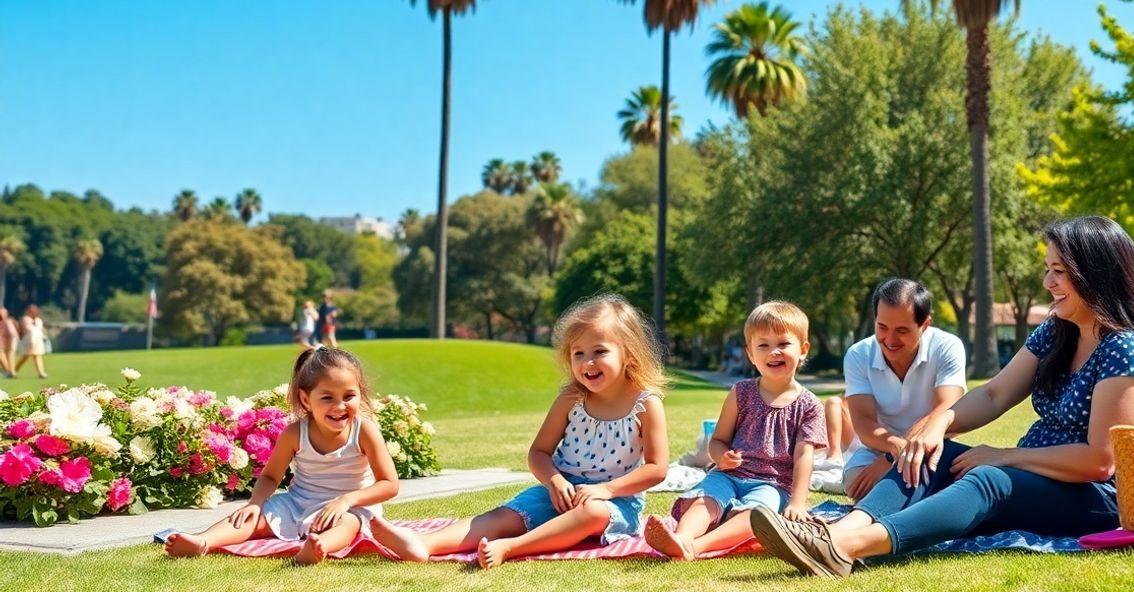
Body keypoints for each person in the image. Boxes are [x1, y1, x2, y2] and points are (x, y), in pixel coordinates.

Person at [750, 216, 1134, 577]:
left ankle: (847, 547)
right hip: (1039, 480)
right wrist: (937, 425)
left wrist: (1004, 456)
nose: (1047, 282)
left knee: (989, 479)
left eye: (1059, 272)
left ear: (1095, 275)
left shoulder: (1126, 348)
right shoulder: (1057, 332)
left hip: (1099, 497)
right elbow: (997, 392)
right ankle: (841, 530)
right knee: (931, 455)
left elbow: (1101, 460)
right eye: (1048, 270)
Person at [372, 293, 669, 567]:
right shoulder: (571, 398)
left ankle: (512, 548)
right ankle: (424, 543)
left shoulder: (645, 404)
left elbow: (657, 468)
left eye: (599, 351)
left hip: (614, 502)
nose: (587, 363)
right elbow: (539, 453)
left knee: (591, 513)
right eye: (578, 353)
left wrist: (604, 490)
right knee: (504, 516)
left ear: (628, 354)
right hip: (559, 492)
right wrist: (554, 482)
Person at [164, 347, 401, 564]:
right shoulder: (295, 432)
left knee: (347, 525)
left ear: (360, 394)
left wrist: (346, 500)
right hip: (298, 503)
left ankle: (317, 548)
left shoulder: (364, 430)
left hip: (351, 508)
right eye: (327, 398)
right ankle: (203, 541)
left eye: (349, 396)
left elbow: (389, 484)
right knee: (251, 520)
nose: (340, 406)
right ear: (306, 399)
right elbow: (270, 477)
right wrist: (255, 504)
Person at [644, 301, 827, 561]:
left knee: (756, 516)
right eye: (763, 345)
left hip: (774, 484)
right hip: (730, 474)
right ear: (751, 354)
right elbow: (718, 441)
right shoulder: (740, 393)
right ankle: (682, 538)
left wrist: (797, 502)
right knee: (706, 499)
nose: (773, 352)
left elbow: (803, 457)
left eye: (783, 344)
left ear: (803, 350)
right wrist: (722, 457)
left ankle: (697, 546)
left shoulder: (809, 405)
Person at [839, 279, 966, 499]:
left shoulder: (948, 346)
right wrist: (894, 450)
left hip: (935, 446)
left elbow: (945, 409)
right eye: (882, 327)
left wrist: (892, 459)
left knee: (976, 479)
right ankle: (922, 495)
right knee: (854, 482)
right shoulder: (858, 355)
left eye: (902, 330)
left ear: (925, 325)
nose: (890, 339)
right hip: (880, 448)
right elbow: (863, 423)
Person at [14, 305, 48, 379]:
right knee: (25, 357)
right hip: (29, 340)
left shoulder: (38, 320)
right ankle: (14, 371)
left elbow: (41, 329)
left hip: (38, 340)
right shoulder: (25, 319)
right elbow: (28, 329)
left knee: (37, 356)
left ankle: (41, 372)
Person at [0, 308, 17, 378]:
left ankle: (9, 371)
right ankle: (9, 371)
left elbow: (12, 333)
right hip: (4, 341)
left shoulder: (7, 321)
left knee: (6, 355)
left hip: (8, 341)